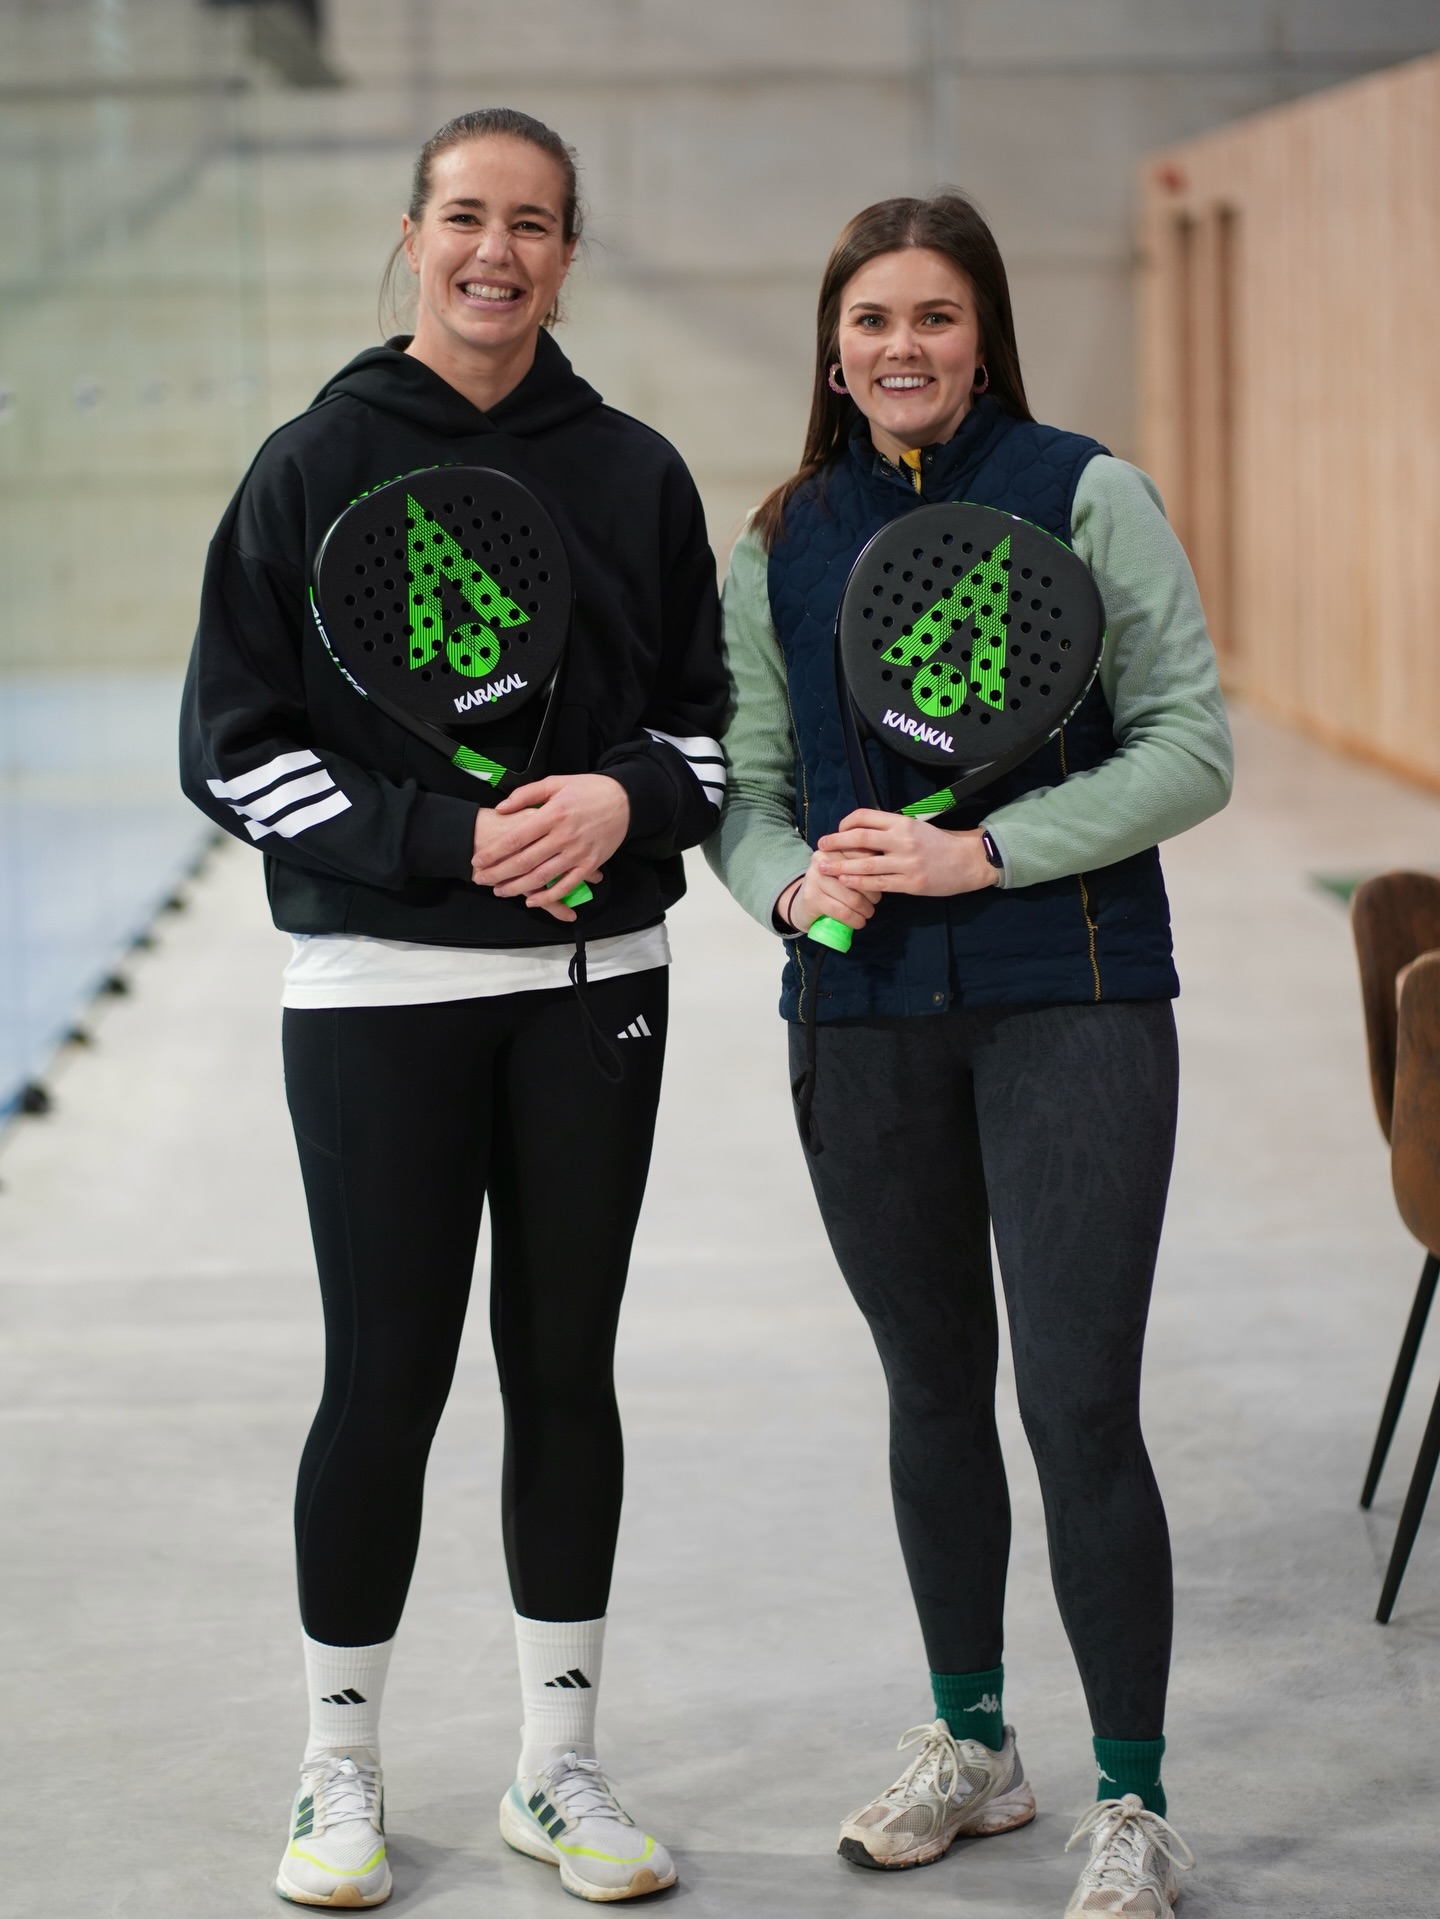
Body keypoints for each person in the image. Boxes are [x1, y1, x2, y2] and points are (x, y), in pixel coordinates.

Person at [181, 107, 726, 1908]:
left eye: (537, 225)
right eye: (468, 218)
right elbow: (232, 752)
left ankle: (558, 1771)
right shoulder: (311, 459)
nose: (500, 252)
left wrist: (620, 801)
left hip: (595, 994)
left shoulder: (637, 471)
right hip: (376, 997)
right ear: (411, 234)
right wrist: (443, 836)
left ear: (571, 252)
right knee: (387, 1381)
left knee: (564, 1376)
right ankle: (338, 1773)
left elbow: (714, 736)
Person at [706, 191, 1231, 1918]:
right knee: (931, 1394)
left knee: (1078, 1405)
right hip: (859, 1023)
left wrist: (981, 854)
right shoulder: (781, 532)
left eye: (933, 318)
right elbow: (752, 798)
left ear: (984, 332)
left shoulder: (1088, 493)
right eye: (870, 322)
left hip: (1070, 1003)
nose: (901, 350)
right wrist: (795, 896)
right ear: (832, 346)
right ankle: (976, 1748)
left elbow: (1187, 748)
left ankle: (1136, 1801)